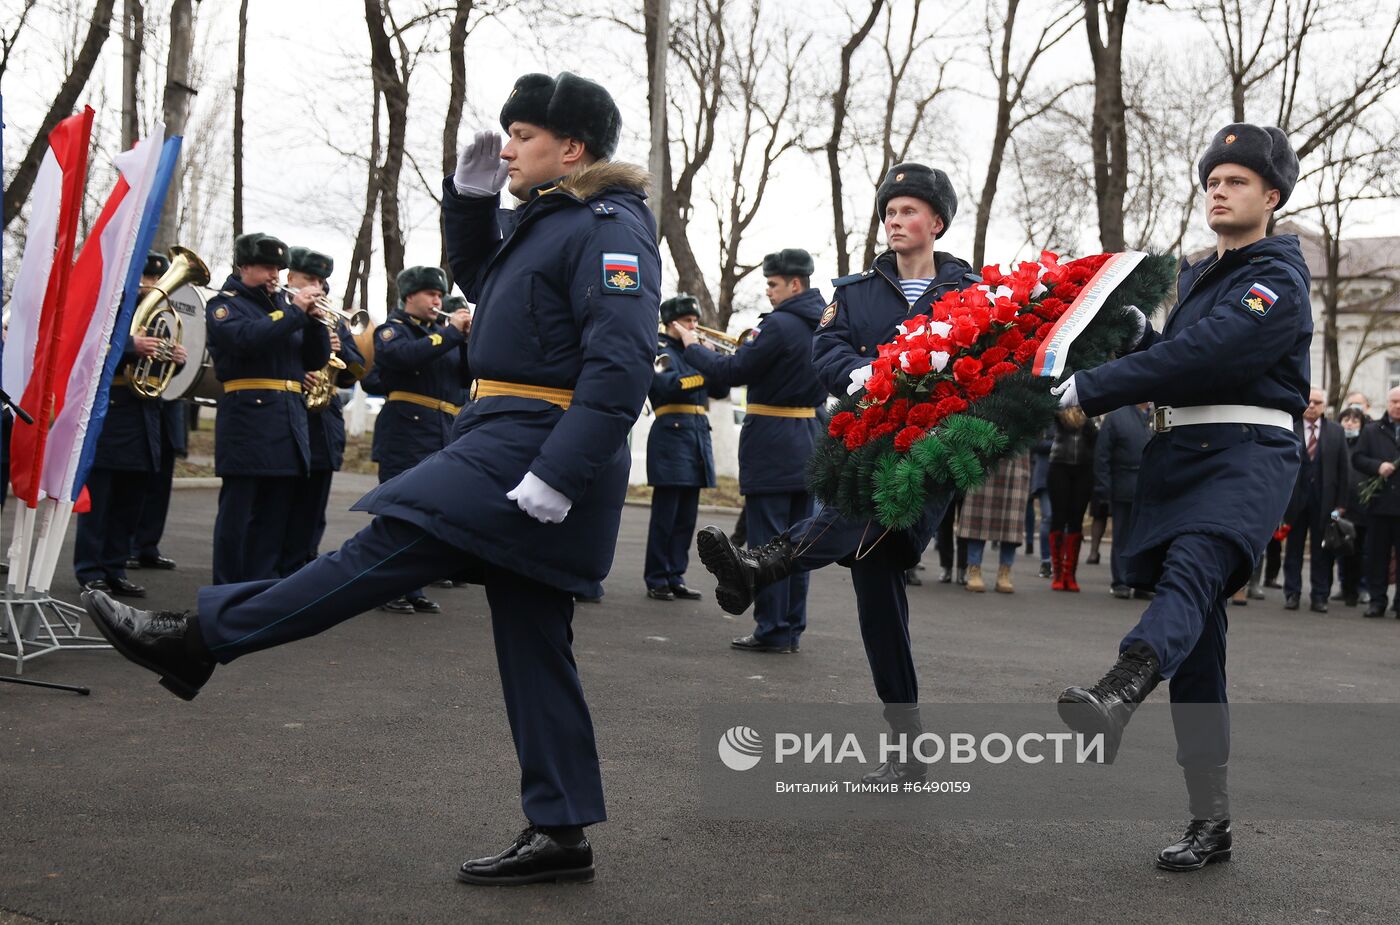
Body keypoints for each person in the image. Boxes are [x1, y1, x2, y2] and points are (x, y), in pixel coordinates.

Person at [83, 70, 656, 886]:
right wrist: (467, 195)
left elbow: (622, 363)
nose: (508, 148)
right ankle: (561, 829)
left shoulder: (609, 226)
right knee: (535, 642)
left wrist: (560, 473)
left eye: (523, 136)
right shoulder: (554, 222)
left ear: (572, 148)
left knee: (381, 548)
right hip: (504, 437)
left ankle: (198, 639)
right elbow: (483, 277)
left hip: (532, 447)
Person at [1052, 123, 1308, 871]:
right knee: (1198, 651)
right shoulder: (1198, 276)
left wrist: (1094, 387)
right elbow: (1171, 352)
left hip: (1248, 456)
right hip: (1186, 456)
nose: (1219, 191)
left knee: (1192, 571)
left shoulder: (1276, 279)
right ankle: (1211, 821)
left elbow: (1206, 355)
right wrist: (1126, 337)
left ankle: (1120, 688)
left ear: (1271, 196)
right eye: (1212, 181)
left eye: (1236, 181)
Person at [696, 161, 980, 782]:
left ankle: (763, 563)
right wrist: (859, 374)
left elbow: (989, 363)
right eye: (888, 212)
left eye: (908, 211)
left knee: (868, 517)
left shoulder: (973, 293)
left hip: (930, 451)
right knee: (878, 601)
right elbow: (826, 351)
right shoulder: (852, 293)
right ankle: (908, 749)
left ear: (936, 221)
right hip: (865, 434)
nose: (895, 221)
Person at [677, 248, 827, 650]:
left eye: (774, 285)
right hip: (810, 441)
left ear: (794, 284)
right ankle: (791, 628)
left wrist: (692, 345)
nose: (769, 292)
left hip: (773, 443)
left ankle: (772, 629)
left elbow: (733, 371)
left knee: (766, 543)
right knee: (796, 545)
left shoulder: (778, 326)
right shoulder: (825, 325)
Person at [204, 234, 331, 585]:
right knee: (239, 515)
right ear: (244, 267)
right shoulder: (225, 305)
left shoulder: (284, 307)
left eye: (278, 268)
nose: (274, 274)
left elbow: (313, 359)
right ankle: (227, 589)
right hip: (248, 419)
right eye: (266, 267)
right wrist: (295, 313)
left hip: (287, 422)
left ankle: (260, 586)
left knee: (275, 516)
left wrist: (316, 321)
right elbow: (247, 339)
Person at [73, 251, 189, 597]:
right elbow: (88, 349)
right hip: (112, 411)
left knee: (131, 500)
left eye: (156, 280)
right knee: (102, 500)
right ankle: (89, 569)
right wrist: (130, 345)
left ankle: (115, 567)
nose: (151, 286)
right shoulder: (108, 311)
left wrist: (176, 360)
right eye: (145, 278)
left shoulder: (159, 319)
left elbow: (158, 372)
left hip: (146, 416)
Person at [370, 265, 471, 613]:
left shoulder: (441, 335)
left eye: (439, 294)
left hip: (440, 431)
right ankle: (385, 588)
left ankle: (412, 587)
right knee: (399, 513)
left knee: (427, 514)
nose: (436, 300)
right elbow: (404, 358)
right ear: (410, 295)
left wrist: (472, 341)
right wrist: (451, 335)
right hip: (405, 431)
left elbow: (464, 378)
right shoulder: (392, 331)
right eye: (431, 294)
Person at [280, 246, 364, 576]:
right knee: (285, 502)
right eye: (309, 279)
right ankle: (280, 565)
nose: (317, 287)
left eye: (321, 281)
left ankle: (305, 560)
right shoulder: (283, 310)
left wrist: (344, 354)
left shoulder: (333, 320)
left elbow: (357, 371)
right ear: (291, 277)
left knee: (314, 505)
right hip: (291, 414)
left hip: (324, 419)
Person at [644, 294, 727, 601]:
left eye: (695, 321)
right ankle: (656, 577)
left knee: (686, 516)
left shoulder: (693, 351)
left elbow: (720, 388)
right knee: (666, 514)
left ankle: (675, 574)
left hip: (696, 435)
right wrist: (703, 368)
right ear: (672, 323)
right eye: (689, 322)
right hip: (671, 432)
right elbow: (667, 385)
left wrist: (713, 358)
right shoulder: (661, 349)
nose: (695, 326)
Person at [1281, 388, 1348, 612]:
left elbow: (1343, 470)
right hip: (1296, 500)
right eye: (1308, 401)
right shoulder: (1291, 428)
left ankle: (1320, 596)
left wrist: (1341, 505)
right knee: (1293, 550)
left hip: (1325, 501)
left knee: (1322, 552)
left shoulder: (1336, 432)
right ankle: (1292, 593)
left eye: (1317, 402)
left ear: (1324, 406)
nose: (1311, 406)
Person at [1350, 386, 1400, 618]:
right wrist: (1377, 466)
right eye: (1394, 401)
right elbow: (1358, 458)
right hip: (1379, 504)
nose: (1397, 405)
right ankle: (1377, 600)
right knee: (1377, 555)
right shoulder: (1372, 430)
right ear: (1387, 403)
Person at [1094, 402, 1152, 599]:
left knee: (1147, 537)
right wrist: (1103, 487)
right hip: (1124, 487)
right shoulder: (1116, 417)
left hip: (1151, 488)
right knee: (1122, 536)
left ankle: (1143, 581)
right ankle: (1121, 580)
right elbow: (1102, 455)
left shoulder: (1157, 414)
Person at [959, 454, 1031, 593]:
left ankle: (1005, 571)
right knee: (977, 516)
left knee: (1012, 518)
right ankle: (974, 569)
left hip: (1016, 456)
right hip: (985, 450)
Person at [1047, 408, 1097, 591]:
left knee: (1076, 521)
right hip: (1059, 466)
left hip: (1084, 470)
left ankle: (1070, 574)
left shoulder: (1089, 417)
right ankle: (1058, 573)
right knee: (1058, 519)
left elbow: (1096, 441)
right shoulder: (1057, 414)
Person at [1335, 404, 1369, 607]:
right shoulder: (1336, 442)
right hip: (1340, 505)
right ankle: (1344, 586)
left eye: (1355, 420)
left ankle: (1360, 588)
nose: (1350, 423)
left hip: (1361, 505)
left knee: (1361, 550)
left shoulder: (1364, 445)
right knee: (1341, 547)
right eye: (1346, 419)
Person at [1026, 426, 1054, 578]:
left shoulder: (1075, 412)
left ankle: (1060, 562)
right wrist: (1058, 444)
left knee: (1063, 523)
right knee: (1048, 516)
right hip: (1045, 475)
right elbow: (1035, 443)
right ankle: (1046, 560)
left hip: (1067, 473)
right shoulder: (1046, 416)